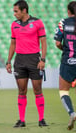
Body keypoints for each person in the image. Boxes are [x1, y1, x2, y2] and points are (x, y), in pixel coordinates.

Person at [6, 0, 48, 128]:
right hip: (19, 61)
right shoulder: (14, 25)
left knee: (37, 89)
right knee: (21, 90)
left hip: (34, 60)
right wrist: (8, 61)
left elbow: (44, 42)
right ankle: (21, 120)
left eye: (16, 11)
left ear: (24, 10)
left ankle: (41, 119)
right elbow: (13, 44)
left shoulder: (37, 22)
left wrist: (43, 60)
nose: (14, 14)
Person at [54, 1, 76, 130]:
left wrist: (65, 49)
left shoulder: (63, 23)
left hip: (68, 61)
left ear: (68, 11)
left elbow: (57, 43)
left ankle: (72, 113)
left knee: (64, 91)